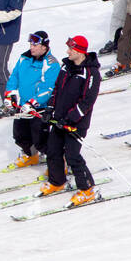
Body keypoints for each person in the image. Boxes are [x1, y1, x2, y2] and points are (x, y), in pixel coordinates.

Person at [39, 36, 102, 206]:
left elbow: (87, 101)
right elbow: (57, 89)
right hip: (59, 119)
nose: (68, 52)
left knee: (72, 155)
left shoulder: (91, 73)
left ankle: (87, 189)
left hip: (76, 123)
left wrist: (70, 118)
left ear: (80, 52)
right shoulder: (66, 66)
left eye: (71, 50)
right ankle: (57, 181)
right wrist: (50, 109)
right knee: (53, 150)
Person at [2, 30, 60, 167]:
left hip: (38, 108)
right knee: (20, 136)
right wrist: (10, 94)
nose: (31, 48)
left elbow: (48, 88)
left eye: (35, 45)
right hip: (22, 106)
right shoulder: (24, 58)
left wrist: (33, 102)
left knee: (41, 140)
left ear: (44, 47)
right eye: (31, 45)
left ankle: (58, 164)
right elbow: (14, 76)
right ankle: (31, 155)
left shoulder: (51, 64)